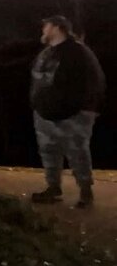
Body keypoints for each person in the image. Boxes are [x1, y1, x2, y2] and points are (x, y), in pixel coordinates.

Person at [29, 15, 106, 209]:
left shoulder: (79, 52)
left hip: (74, 116)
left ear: (57, 27)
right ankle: (53, 188)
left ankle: (85, 192)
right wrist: (37, 104)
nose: (43, 30)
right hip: (45, 115)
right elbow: (38, 81)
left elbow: (95, 82)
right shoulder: (46, 54)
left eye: (46, 26)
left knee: (77, 153)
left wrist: (86, 110)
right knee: (49, 152)